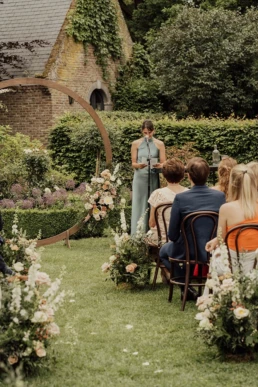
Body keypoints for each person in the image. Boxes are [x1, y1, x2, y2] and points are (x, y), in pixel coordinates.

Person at [159, 157, 226, 299]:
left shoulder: (181, 198)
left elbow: (172, 234)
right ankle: (188, 288)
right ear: (208, 174)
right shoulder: (220, 196)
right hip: (213, 250)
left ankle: (186, 286)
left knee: (164, 252)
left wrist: (180, 241)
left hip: (187, 251)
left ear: (188, 176)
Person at [206, 164, 258, 274]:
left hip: (235, 265)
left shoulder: (226, 209)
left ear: (232, 184)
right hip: (256, 264)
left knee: (217, 256)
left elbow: (222, 240)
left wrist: (216, 240)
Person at [131, 120, 166, 235]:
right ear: (142, 131)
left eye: (150, 132)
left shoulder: (159, 144)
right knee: (139, 204)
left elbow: (163, 163)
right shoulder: (136, 143)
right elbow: (133, 163)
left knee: (153, 204)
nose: (148, 135)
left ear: (153, 131)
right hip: (140, 177)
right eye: (145, 132)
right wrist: (139, 165)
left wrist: (158, 165)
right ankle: (138, 234)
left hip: (153, 175)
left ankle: (153, 233)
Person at [146, 158, 188, 246]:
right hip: (184, 239)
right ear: (183, 175)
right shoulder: (189, 193)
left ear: (164, 175)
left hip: (163, 239)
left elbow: (152, 223)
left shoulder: (157, 194)